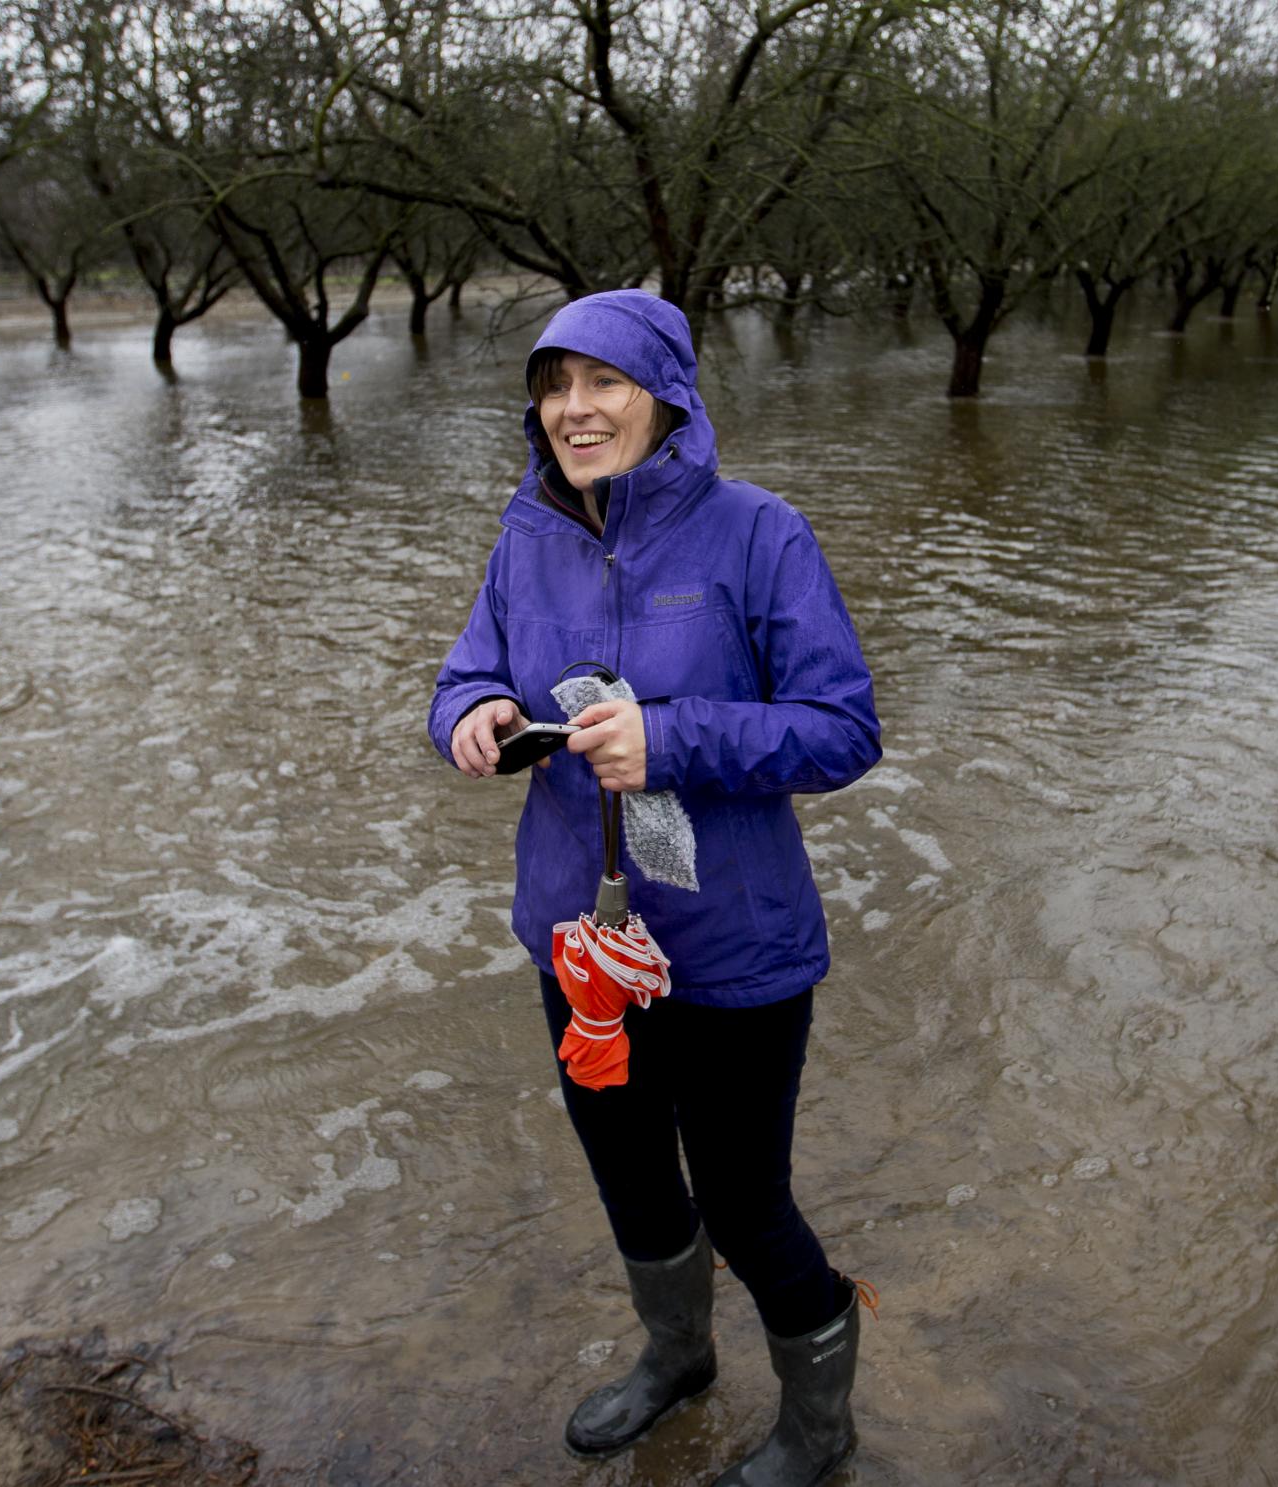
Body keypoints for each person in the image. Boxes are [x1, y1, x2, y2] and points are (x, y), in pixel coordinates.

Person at [426, 290, 882, 1486]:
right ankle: (676, 1357)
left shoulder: (756, 532)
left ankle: (818, 1429)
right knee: (627, 1171)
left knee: (742, 1198)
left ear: (666, 393)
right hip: (578, 947)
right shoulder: (525, 532)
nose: (574, 409)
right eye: (553, 384)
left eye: (603, 381)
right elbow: (463, 669)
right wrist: (468, 714)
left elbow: (840, 731)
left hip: (731, 947)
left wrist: (669, 739)